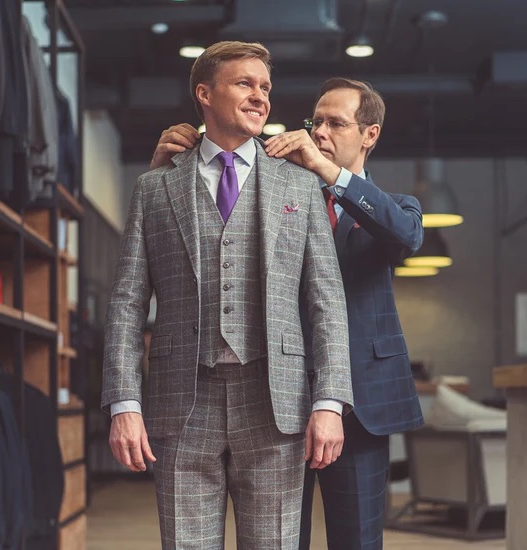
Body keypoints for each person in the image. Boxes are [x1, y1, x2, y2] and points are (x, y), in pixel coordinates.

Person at [151, 77, 424, 549]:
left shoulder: (396, 206)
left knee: (358, 539)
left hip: (362, 400)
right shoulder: (275, 197)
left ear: (369, 134)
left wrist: (328, 173)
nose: (319, 131)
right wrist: (164, 174)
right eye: (314, 121)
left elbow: (404, 235)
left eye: (335, 123)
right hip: (277, 398)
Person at [102, 41, 354, 550]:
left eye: (265, 87)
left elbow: (325, 301)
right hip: (180, 403)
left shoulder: (300, 186)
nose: (260, 96)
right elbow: (128, 302)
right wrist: (122, 403)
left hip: (275, 403)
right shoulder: (154, 188)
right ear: (204, 93)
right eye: (245, 83)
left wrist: (330, 401)